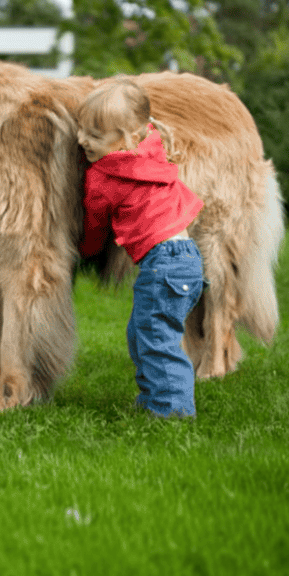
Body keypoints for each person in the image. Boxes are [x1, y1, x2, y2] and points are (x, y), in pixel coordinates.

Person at [77, 76, 204, 418]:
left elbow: (95, 224)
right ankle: (154, 398)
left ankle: (172, 412)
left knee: (157, 340)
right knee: (143, 333)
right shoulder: (151, 146)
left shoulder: (103, 175)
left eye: (95, 136)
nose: (81, 140)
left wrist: (85, 251)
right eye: (81, 129)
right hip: (187, 260)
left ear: (128, 138)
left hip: (163, 265)